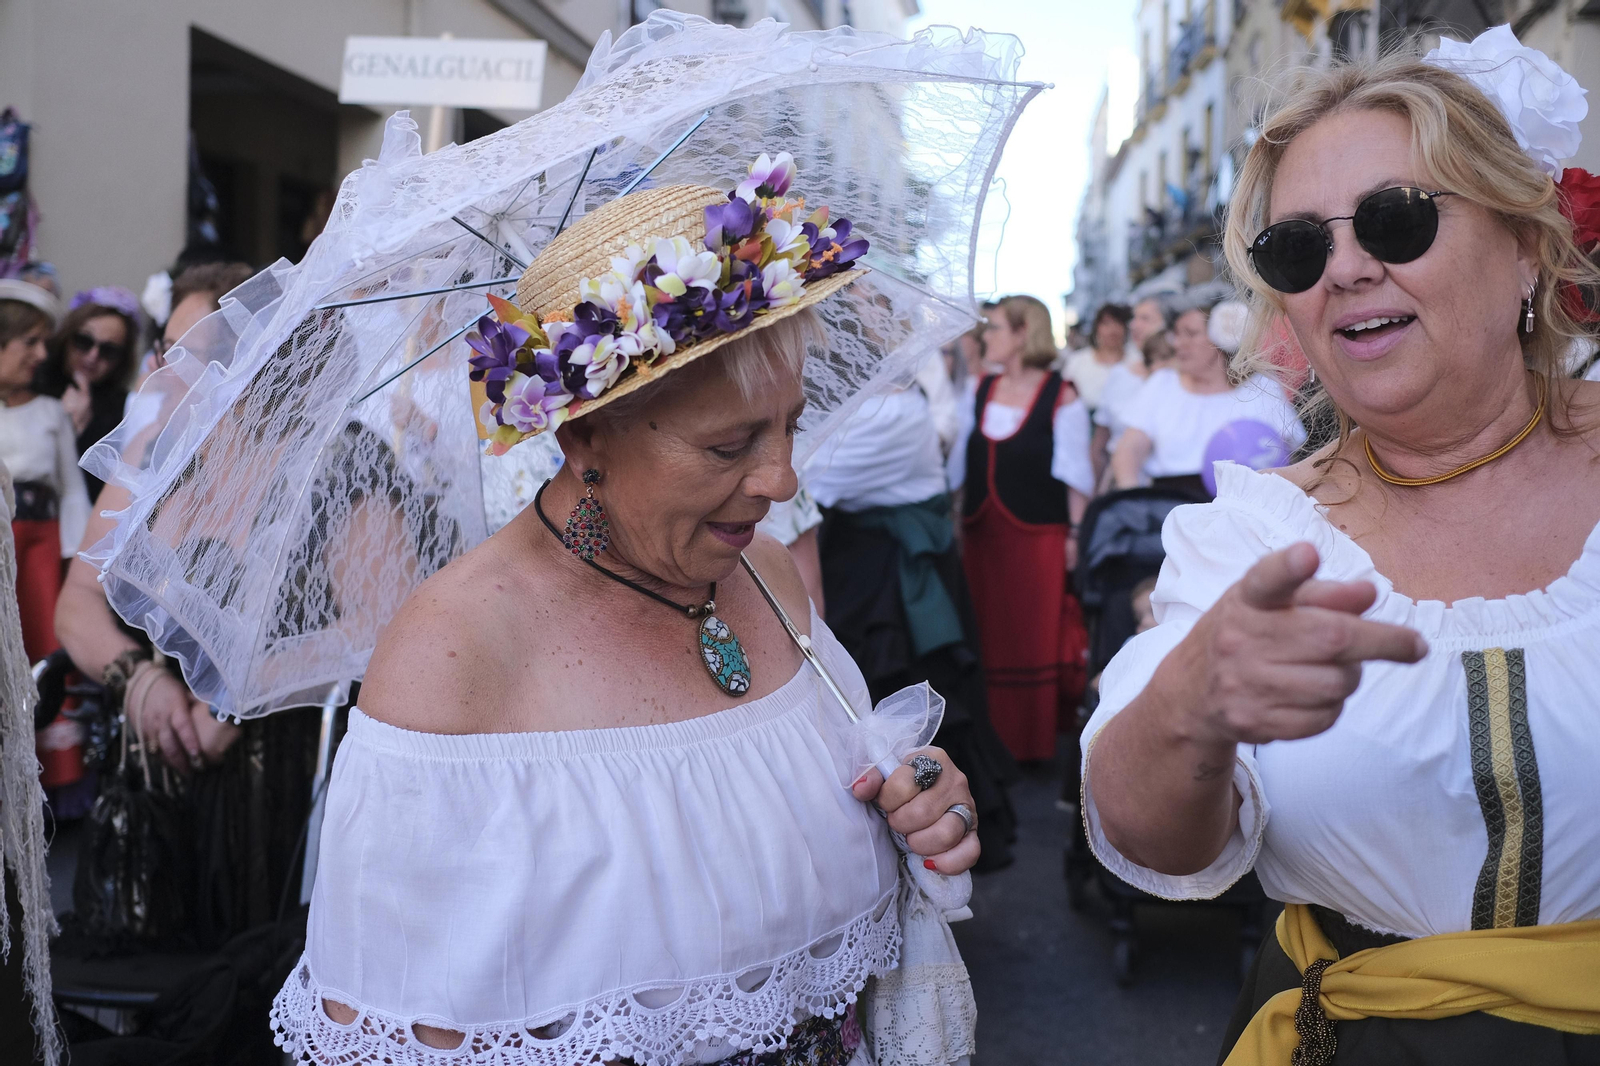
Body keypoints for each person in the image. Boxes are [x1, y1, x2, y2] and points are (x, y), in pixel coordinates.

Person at [273, 172, 981, 1066]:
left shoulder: (762, 573)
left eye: (790, 427)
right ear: (583, 436)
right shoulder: (454, 655)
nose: (782, 481)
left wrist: (916, 807)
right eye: (730, 445)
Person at [1081, 39, 1600, 1065]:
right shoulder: (1248, 534)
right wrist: (1192, 703)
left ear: (1524, 246)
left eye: (1396, 218)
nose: (1348, 267)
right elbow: (1142, 833)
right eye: (1296, 250)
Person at [805, 370, 1021, 869]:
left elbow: (816, 480)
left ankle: (924, 829)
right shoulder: (860, 407)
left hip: (891, 574)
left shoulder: (895, 411)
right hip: (859, 563)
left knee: (907, 700)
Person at [56, 262, 257, 775]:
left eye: (190, 355)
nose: (162, 375)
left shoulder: (312, 464)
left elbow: (356, 633)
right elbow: (77, 598)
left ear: (247, 358)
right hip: (146, 768)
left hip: (259, 769)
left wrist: (229, 707)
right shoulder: (152, 452)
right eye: (165, 349)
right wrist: (137, 678)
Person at [960, 294, 1093, 762]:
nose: (986, 336)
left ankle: (1029, 744)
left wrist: (1076, 535)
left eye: (994, 327)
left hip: (1039, 536)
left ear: (1022, 334)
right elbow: (961, 468)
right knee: (988, 632)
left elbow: (1076, 475)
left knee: (1032, 634)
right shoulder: (979, 388)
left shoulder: (1063, 395)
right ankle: (991, 737)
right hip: (982, 535)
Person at [1109, 303, 1304, 499]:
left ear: (1223, 337)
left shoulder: (1262, 387)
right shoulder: (1161, 385)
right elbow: (1129, 448)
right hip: (1172, 506)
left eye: (1191, 334)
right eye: (1176, 334)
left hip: (1249, 508)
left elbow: (1291, 454)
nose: (1178, 343)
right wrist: (1132, 497)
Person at [0, 279, 88, 662]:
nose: (40, 355)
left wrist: (77, 564)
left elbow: (72, 493)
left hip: (40, 544)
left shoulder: (51, 413)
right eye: (30, 342)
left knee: (43, 639)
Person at [34, 287, 142, 498]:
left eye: (108, 350)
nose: (93, 356)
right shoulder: (32, 381)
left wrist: (83, 431)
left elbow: (105, 495)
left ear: (122, 359)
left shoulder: (125, 408)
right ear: (67, 336)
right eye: (84, 341)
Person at [1062, 301, 1137, 411]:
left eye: (1118, 323)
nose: (1112, 330)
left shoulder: (1136, 360)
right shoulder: (1077, 361)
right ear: (1097, 328)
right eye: (1106, 323)